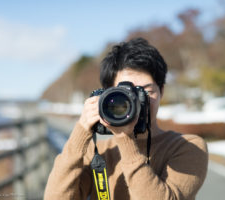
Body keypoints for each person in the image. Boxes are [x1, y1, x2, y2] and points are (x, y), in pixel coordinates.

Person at [44, 38, 208, 200]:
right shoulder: (98, 152)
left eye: (145, 92)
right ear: (107, 95)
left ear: (161, 91)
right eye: (125, 94)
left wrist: (124, 139)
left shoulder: (189, 147)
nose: (135, 101)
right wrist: (81, 131)